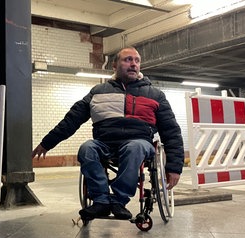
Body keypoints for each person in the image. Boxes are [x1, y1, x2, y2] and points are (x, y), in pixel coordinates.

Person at [32, 47, 184, 221]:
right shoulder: (98, 92)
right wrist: (47, 143)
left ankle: (119, 201)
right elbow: (71, 120)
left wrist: (174, 168)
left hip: (139, 143)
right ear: (114, 65)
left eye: (137, 60)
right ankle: (101, 200)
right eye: (127, 60)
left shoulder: (155, 95)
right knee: (87, 148)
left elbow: (171, 132)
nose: (133, 64)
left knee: (134, 147)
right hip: (105, 144)